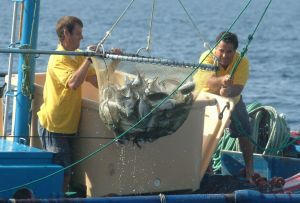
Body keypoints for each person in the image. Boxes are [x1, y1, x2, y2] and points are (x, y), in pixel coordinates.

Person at [37, 16, 121, 192]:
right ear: (66, 34)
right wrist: (89, 59)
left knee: (69, 170)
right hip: (54, 125)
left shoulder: (77, 57)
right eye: (78, 33)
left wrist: (114, 62)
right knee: (62, 171)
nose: (82, 38)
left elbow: (97, 80)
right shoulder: (58, 59)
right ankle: (56, 197)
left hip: (69, 125)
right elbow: (73, 83)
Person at [193, 31, 254, 183]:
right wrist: (222, 81)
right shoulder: (206, 57)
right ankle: (205, 170)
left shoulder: (242, 61)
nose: (224, 55)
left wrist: (229, 91)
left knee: (245, 131)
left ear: (235, 51)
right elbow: (207, 82)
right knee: (206, 133)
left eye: (229, 52)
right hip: (206, 97)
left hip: (232, 99)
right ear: (215, 49)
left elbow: (238, 88)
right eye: (221, 50)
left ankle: (250, 170)